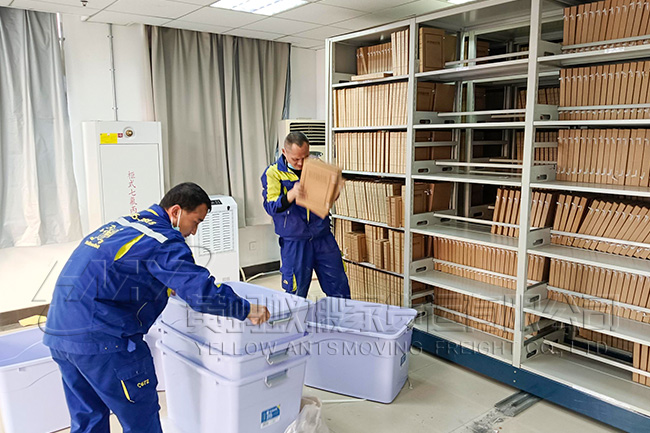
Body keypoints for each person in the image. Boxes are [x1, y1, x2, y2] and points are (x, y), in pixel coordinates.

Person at [43, 182, 270, 433]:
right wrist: (246, 309)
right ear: (176, 211)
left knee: (89, 418)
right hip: (104, 341)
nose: (194, 231)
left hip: (60, 334)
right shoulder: (163, 240)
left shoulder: (123, 225)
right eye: (196, 221)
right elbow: (201, 293)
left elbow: (121, 272)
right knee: (141, 418)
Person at [261, 132, 350, 299]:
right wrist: (291, 194)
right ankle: (296, 317)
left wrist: (334, 192)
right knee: (296, 294)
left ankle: (342, 315)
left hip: (323, 236)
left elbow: (328, 198)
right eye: (296, 159)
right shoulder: (273, 173)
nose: (301, 163)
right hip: (295, 240)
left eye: (305, 157)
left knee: (339, 285)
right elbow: (271, 206)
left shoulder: (316, 167)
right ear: (284, 152)